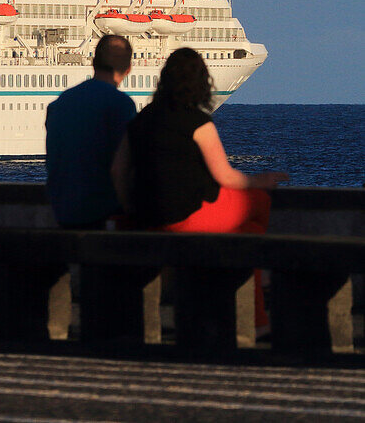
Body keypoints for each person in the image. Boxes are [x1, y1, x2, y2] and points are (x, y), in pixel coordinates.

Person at [111, 47, 286, 327]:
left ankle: (254, 281)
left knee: (246, 234)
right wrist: (260, 180)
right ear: (201, 81)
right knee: (257, 203)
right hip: (186, 217)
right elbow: (225, 177)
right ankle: (257, 304)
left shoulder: (140, 120)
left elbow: (118, 170)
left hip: (147, 217)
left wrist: (130, 207)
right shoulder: (197, 121)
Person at [45, 35, 136, 229]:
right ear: (128, 69)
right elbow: (121, 168)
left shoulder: (60, 103)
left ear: (93, 63)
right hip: (99, 213)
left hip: (62, 211)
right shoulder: (121, 104)